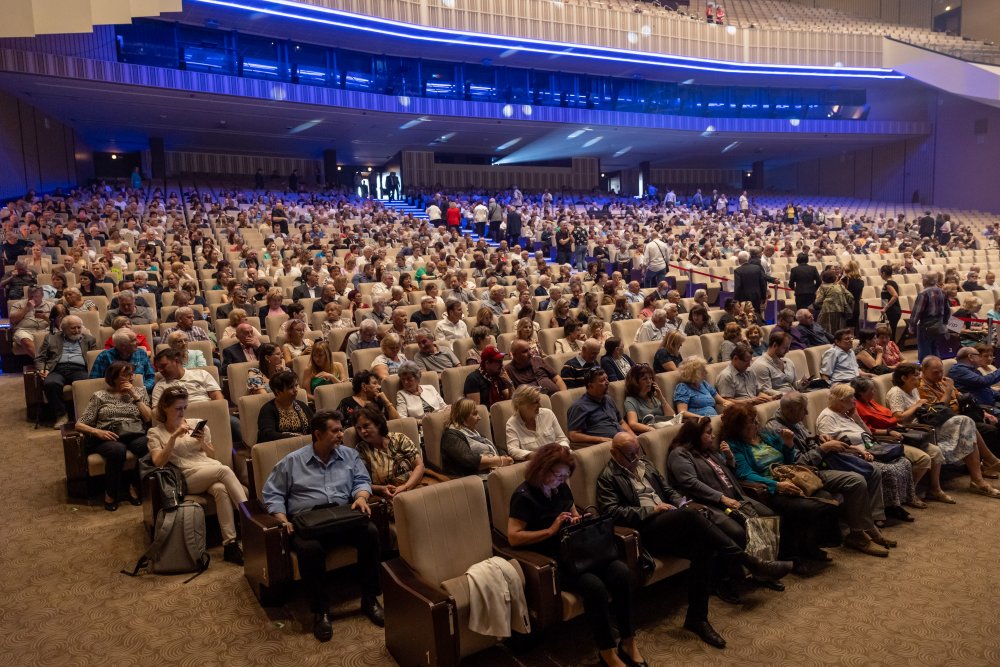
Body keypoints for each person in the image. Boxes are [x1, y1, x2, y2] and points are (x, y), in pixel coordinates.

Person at [598, 433, 791, 649]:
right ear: (615, 453)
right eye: (630, 455)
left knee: (704, 547)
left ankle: (697, 618)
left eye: (638, 452)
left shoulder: (646, 464)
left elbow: (669, 491)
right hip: (645, 531)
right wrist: (652, 509)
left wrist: (682, 503)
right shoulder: (608, 477)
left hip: (671, 521)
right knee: (690, 515)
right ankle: (749, 561)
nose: (636, 459)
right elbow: (612, 513)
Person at [507, 443, 646, 665]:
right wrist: (551, 530)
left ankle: (628, 641)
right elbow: (513, 537)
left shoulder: (561, 488)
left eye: (565, 476)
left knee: (622, 573)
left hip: (580, 552)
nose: (561, 480)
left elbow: (573, 515)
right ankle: (606, 651)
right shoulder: (524, 495)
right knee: (595, 587)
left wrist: (579, 520)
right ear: (543, 469)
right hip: (553, 560)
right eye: (557, 475)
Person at [261, 409, 383, 641]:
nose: (341, 435)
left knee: (370, 533)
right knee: (310, 549)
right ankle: (321, 611)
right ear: (318, 434)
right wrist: (282, 519)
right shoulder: (293, 462)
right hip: (309, 522)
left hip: (342, 515)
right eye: (335, 431)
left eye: (341, 430)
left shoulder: (349, 455)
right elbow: (272, 493)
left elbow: (362, 480)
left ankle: (369, 599)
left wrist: (360, 497)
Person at [763, 392, 891, 557]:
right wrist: (824, 448)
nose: (807, 414)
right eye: (803, 410)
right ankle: (858, 535)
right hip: (805, 474)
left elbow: (807, 443)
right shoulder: (776, 429)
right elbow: (797, 464)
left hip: (818, 464)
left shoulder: (794, 420)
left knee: (871, 470)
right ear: (790, 410)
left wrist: (819, 439)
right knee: (856, 481)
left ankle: (868, 527)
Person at [720, 403, 841, 566]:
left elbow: (789, 463)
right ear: (738, 427)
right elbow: (744, 474)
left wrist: (789, 445)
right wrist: (776, 485)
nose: (756, 425)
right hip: (769, 489)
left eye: (755, 420)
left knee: (825, 497)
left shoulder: (765, 436)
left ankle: (809, 546)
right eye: (750, 422)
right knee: (813, 506)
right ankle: (792, 555)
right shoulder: (733, 445)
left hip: (789, 479)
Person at [147, 385, 246, 564]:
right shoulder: (156, 433)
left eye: (185, 407)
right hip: (187, 476)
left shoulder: (195, 423)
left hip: (208, 468)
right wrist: (173, 437)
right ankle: (249, 518)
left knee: (221, 490)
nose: (182, 412)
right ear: (165, 408)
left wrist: (202, 442)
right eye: (178, 408)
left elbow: (212, 455)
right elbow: (158, 462)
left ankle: (230, 545)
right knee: (223, 470)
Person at [887, 363, 1000, 499]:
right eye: (916, 375)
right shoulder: (896, 392)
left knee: (966, 422)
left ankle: (979, 477)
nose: (919, 378)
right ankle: (986, 467)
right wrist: (918, 405)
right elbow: (897, 417)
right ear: (904, 378)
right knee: (967, 428)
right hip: (914, 431)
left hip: (927, 425)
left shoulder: (913, 390)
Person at [816, 383, 917, 524]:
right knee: (887, 469)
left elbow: (869, 435)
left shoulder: (847, 414)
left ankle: (895, 505)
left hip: (870, 449)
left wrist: (856, 417)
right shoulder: (827, 417)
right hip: (849, 456)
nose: (854, 400)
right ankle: (880, 512)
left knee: (903, 462)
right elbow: (830, 446)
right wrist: (859, 451)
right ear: (840, 400)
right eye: (851, 397)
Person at [74, 360, 151, 510]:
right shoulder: (100, 395)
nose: (130, 378)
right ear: (114, 377)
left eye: (131, 374)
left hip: (134, 432)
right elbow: (79, 424)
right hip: (107, 435)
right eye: (125, 375)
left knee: (148, 444)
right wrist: (98, 432)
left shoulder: (140, 391)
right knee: (117, 450)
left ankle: (133, 485)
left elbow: (148, 418)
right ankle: (111, 492)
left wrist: (134, 395)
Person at [354, 403, 428, 506]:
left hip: (414, 487)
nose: (362, 431)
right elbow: (362, 483)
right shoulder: (361, 450)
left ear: (378, 424)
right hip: (389, 496)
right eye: (358, 428)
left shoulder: (399, 439)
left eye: (366, 426)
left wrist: (406, 487)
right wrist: (380, 489)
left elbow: (419, 466)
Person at [35, 315, 98, 428]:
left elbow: (94, 358)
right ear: (63, 328)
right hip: (57, 369)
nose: (77, 331)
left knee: (85, 383)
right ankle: (61, 415)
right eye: (73, 328)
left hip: (79, 368)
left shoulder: (89, 339)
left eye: (79, 327)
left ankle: (86, 416)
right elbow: (40, 358)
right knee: (51, 383)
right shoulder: (51, 338)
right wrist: (42, 369)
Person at [440, 398, 512, 477]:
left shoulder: (474, 433)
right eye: (474, 414)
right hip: (471, 481)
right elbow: (468, 460)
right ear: (463, 417)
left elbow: (494, 447)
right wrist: (500, 460)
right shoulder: (451, 436)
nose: (479, 417)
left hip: (492, 473)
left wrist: (505, 456)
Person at [567, 368, 632, 446]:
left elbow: (621, 422)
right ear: (590, 386)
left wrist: (633, 436)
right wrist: (601, 440)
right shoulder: (579, 407)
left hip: (623, 441)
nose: (607, 382)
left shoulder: (608, 399)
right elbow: (573, 435)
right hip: (603, 446)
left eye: (607, 379)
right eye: (602, 381)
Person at [504, 385, 569, 461]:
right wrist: (538, 456)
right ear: (521, 404)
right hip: (536, 463)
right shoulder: (512, 424)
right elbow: (513, 450)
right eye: (535, 402)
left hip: (558, 458)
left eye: (539, 401)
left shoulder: (548, 414)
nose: (540, 405)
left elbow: (562, 439)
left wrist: (562, 451)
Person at [257, 369, 314, 443]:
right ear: (278, 391)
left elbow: (315, 425)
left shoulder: (301, 405)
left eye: (296, 386)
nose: (296, 390)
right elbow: (267, 434)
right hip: (279, 449)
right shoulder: (268, 409)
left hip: (304, 446)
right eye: (291, 387)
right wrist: (296, 438)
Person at [91, 329, 156, 392]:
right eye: (134, 340)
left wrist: (140, 389)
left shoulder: (141, 353)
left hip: (139, 393)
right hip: (112, 395)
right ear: (123, 346)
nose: (138, 342)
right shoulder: (104, 356)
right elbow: (94, 381)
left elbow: (151, 376)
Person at [908, 272, 950, 360]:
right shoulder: (942, 291)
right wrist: (945, 323)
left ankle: (927, 371)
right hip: (939, 326)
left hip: (926, 327)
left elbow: (917, 312)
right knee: (935, 349)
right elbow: (947, 310)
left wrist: (911, 326)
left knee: (925, 352)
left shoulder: (923, 293)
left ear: (925, 281)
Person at [623, 363, 673, 433]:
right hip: (651, 433)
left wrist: (661, 398)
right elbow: (633, 423)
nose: (649, 381)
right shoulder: (630, 401)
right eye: (644, 379)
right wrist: (651, 429)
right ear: (635, 382)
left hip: (664, 429)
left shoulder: (654, 397)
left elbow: (671, 417)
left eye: (650, 378)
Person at [733, 250, 767, 315]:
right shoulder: (757, 268)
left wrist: (735, 300)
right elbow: (762, 284)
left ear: (739, 260)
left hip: (744, 299)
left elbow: (738, 287)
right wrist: (763, 298)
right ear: (748, 259)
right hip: (757, 296)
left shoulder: (738, 271)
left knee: (746, 316)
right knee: (757, 315)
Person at [879, 265, 902, 341]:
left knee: (890, 334)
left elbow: (895, 296)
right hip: (893, 311)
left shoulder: (888, 284)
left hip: (892, 311)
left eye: (881, 273)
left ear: (884, 273)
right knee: (891, 333)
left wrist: (885, 308)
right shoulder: (893, 282)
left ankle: (892, 351)